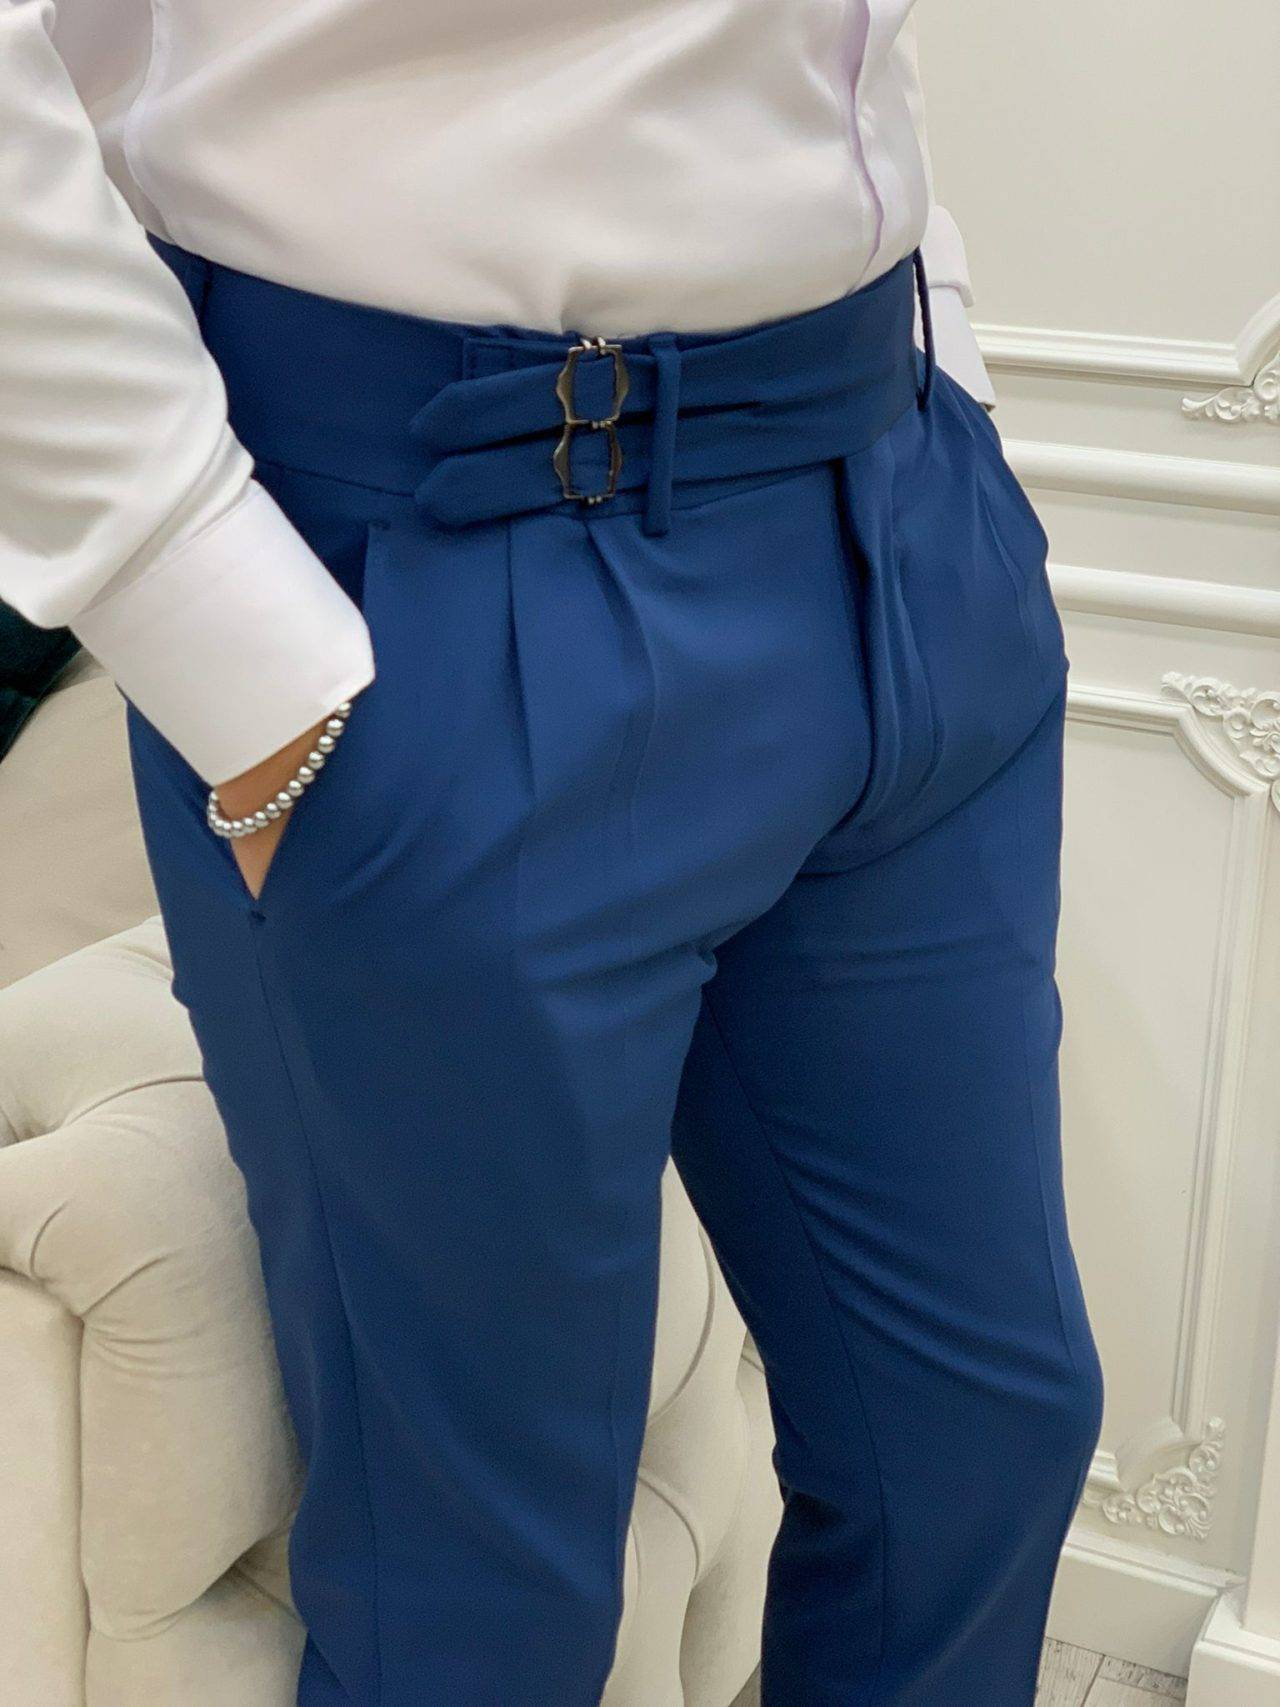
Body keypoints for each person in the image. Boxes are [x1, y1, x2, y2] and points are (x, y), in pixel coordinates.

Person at [0, 2, 1105, 1702]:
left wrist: (937, 344)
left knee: (982, 1436)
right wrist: (205, 618)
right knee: (480, 1603)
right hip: (453, 555)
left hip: (900, 517)